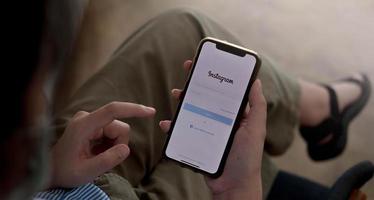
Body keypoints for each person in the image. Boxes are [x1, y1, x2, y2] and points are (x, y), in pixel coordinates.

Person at [0, 1, 370, 200]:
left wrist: (46, 171)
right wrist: (239, 191)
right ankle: (321, 112)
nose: (44, 99)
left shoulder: (24, 164)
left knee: (185, 32)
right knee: (218, 124)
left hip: (57, 182)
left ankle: (316, 109)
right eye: (38, 87)